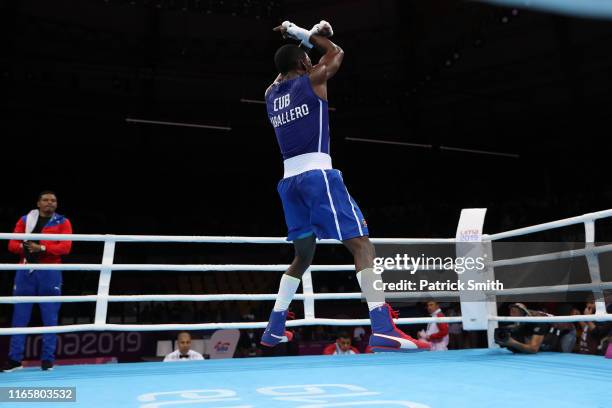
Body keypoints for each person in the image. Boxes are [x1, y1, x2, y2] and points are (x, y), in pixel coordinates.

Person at [260, 20, 430, 352]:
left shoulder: (269, 95)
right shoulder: (313, 81)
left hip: (289, 184)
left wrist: (302, 40)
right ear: (304, 64)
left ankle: (274, 327)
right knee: (362, 246)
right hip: (318, 176)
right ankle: (382, 327)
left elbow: (285, 68)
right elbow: (336, 52)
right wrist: (303, 33)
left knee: (303, 257)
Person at [2, 191, 72, 372]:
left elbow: (65, 247)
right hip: (25, 270)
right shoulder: (25, 220)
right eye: (46, 200)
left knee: (50, 317)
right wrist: (28, 250)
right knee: (19, 316)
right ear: (38, 203)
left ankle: (48, 360)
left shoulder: (63, 222)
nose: (50, 203)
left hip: (50, 272)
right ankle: (14, 360)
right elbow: (11, 244)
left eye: (53, 200)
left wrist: (41, 248)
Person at [494, 303, 559, 354]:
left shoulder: (538, 320)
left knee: (531, 345)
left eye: (514, 311)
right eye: (510, 311)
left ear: (522, 312)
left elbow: (533, 349)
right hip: (545, 328)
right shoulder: (524, 318)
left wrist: (512, 342)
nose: (511, 314)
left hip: (558, 332)